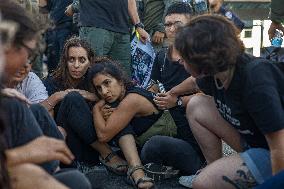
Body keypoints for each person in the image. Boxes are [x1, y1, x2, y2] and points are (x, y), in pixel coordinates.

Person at [165, 14, 284, 188]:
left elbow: (279, 146)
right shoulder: (215, 71)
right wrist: (172, 94)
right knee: (197, 105)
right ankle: (216, 169)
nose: (181, 62)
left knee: (203, 183)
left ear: (201, 59)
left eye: (183, 58)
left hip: (276, 150)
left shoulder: (255, 79)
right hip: (256, 141)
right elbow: (192, 82)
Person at [0, 1, 92, 188]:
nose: (26, 61)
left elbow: (43, 116)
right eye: (26, 51)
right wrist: (23, 155)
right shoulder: (52, 81)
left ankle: (56, 170)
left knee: (75, 180)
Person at [141, 2, 204, 178]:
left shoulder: (200, 55)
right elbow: (152, 85)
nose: (172, 29)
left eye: (178, 24)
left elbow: (209, 99)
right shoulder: (161, 56)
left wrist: (176, 100)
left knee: (152, 146)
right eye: (168, 24)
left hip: (192, 136)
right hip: (164, 123)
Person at [90, 59, 163, 189]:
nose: (104, 91)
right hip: (149, 149)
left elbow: (103, 135)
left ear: (120, 80)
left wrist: (96, 108)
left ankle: (137, 172)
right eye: (99, 88)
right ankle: (137, 172)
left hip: (167, 146)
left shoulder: (132, 99)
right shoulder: (120, 99)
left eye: (107, 83)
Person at [79, 0, 149, 75]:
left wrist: (138, 25)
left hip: (122, 29)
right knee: (93, 72)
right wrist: (74, 6)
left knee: (123, 77)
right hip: (96, 25)